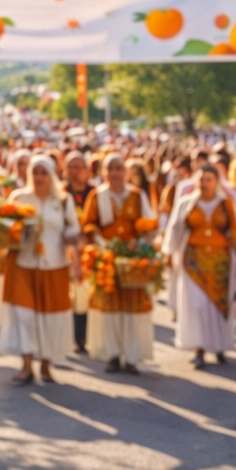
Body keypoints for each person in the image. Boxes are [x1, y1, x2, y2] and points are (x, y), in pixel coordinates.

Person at [0, 155, 81, 384]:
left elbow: (73, 230)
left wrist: (76, 256)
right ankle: (26, 365)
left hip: (54, 265)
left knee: (50, 317)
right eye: (35, 172)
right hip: (23, 264)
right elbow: (4, 227)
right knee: (25, 315)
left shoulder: (63, 201)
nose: (39, 177)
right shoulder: (19, 197)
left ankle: (45, 364)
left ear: (52, 175)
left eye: (44, 173)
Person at [165, 165, 236, 367]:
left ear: (216, 182)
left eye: (209, 180)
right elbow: (175, 230)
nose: (205, 184)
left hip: (221, 263)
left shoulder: (228, 204)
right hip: (193, 262)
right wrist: (169, 254)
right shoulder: (186, 203)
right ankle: (199, 348)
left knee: (219, 304)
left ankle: (220, 346)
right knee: (196, 305)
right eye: (202, 180)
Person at [80, 153, 158, 373]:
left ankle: (132, 356)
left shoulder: (137, 195)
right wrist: (100, 241)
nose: (114, 173)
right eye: (110, 169)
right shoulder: (96, 196)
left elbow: (148, 224)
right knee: (109, 308)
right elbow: (88, 224)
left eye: (118, 168)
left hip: (133, 261)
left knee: (133, 307)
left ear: (126, 172)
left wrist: (142, 244)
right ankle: (112, 354)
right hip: (107, 259)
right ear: (104, 172)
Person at [63, 151, 95, 352]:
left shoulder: (94, 194)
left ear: (87, 171)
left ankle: (83, 337)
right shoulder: (60, 194)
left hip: (88, 251)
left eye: (79, 167)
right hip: (65, 251)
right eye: (71, 167)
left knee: (85, 294)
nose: (75, 172)